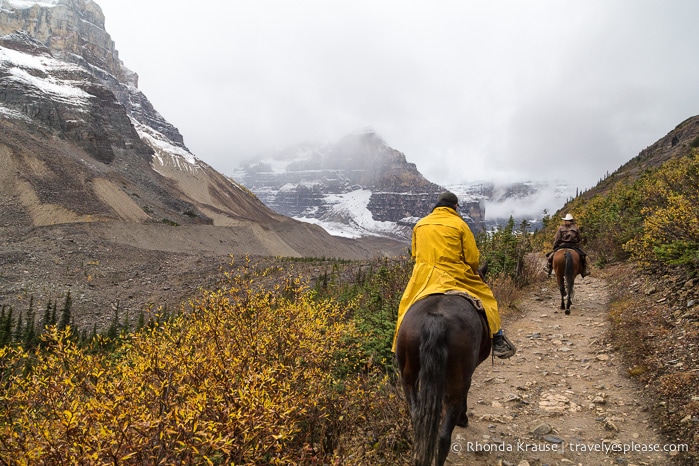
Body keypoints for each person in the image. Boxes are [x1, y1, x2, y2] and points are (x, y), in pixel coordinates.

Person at [392, 191, 516, 359]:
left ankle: (398, 345)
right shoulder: (460, 224)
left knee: (405, 305)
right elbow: (472, 258)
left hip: (424, 276)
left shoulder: (420, 225)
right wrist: (472, 270)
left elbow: (415, 254)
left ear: (438, 204)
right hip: (455, 274)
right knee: (487, 298)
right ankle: (498, 338)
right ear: (455, 206)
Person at [545, 213, 589, 277]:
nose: (566, 221)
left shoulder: (561, 228)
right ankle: (584, 271)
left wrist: (554, 247)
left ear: (567, 220)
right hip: (573, 246)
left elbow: (557, 239)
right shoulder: (576, 228)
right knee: (583, 256)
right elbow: (579, 238)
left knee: (550, 256)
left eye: (566, 220)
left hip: (562, 245)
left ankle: (549, 268)